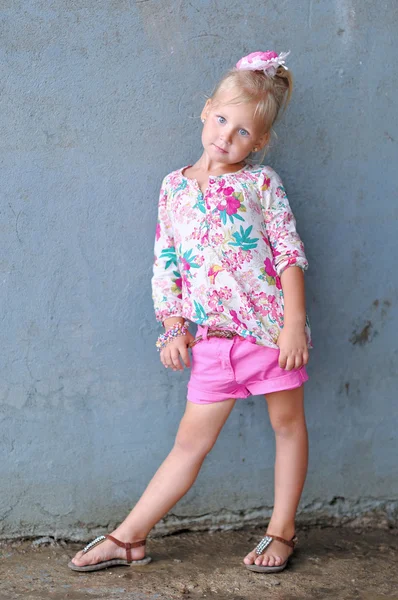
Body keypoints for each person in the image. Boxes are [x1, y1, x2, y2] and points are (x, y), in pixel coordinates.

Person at [69, 50, 312, 575]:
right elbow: (167, 263)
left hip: (270, 333)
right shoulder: (173, 186)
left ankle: (282, 530)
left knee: (288, 425)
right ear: (205, 112)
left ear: (260, 142)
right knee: (189, 444)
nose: (227, 136)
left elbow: (290, 253)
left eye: (244, 131)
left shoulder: (261, 183)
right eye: (222, 120)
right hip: (212, 343)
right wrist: (173, 328)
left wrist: (294, 324)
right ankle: (129, 537)